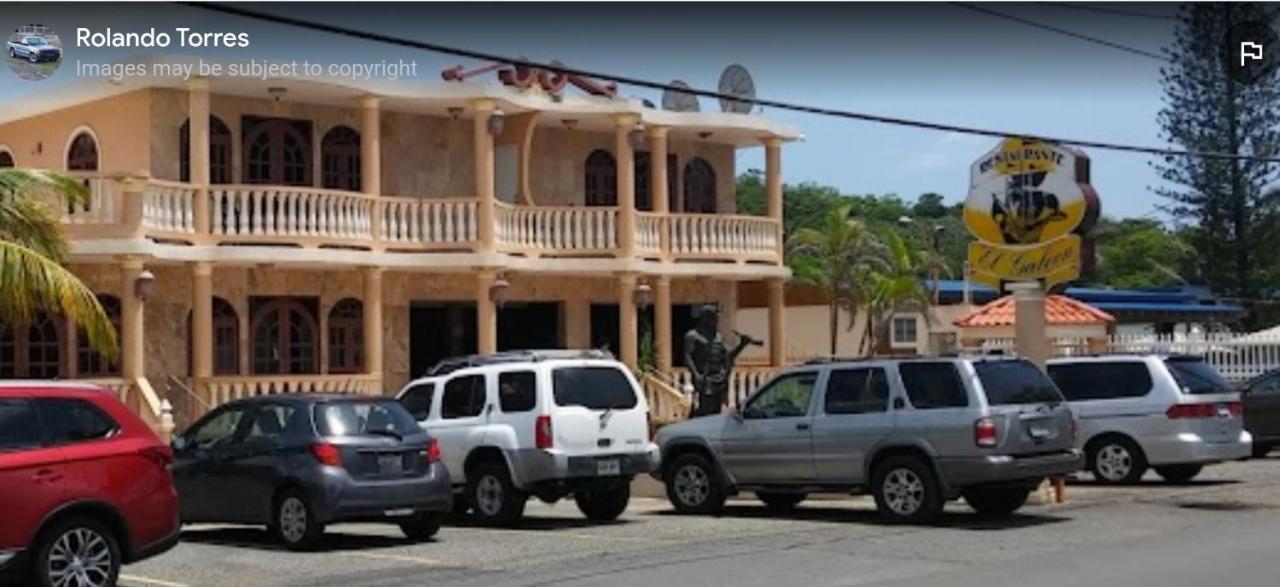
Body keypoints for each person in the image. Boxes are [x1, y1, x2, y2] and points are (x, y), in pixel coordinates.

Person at [683, 304, 762, 418]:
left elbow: (728, 356)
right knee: (703, 410)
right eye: (715, 318)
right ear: (706, 319)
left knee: (716, 410)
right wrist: (696, 375)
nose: (717, 321)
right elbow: (687, 357)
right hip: (704, 380)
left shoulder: (718, 337)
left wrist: (742, 344)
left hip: (719, 380)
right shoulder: (692, 336)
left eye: (717, 319)